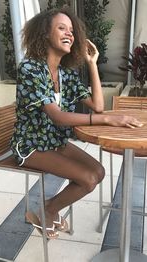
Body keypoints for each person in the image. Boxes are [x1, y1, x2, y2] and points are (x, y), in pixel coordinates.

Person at [10, 7, 143, 239]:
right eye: (62, 28)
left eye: (72, 30)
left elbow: (98, 106)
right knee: (88, 178)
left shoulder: (66, 75)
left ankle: (47, 209)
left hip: (55, 141)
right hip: (30, 146)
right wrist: (108, 119)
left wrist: (92, 63)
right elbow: (58, 116)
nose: (69, 33)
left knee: (99, 172)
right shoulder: (31, 69)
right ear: (44, 34)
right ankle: (48, 209)